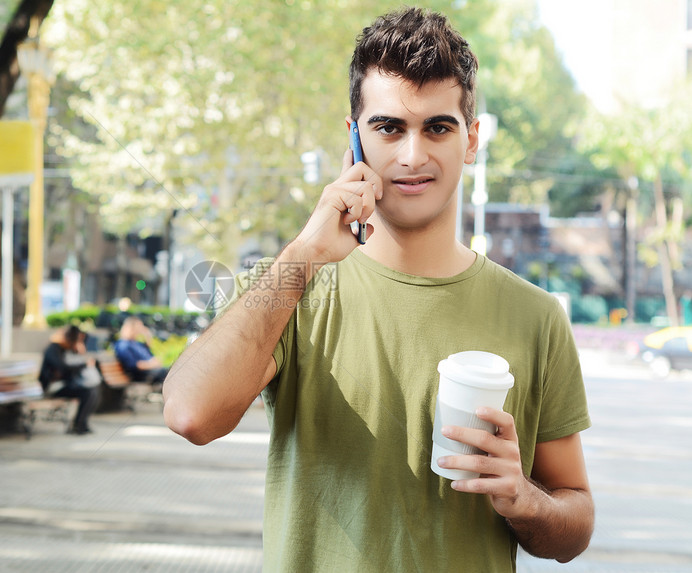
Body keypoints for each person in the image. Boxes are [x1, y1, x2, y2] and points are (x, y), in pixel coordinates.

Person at [162, 6, 593, 572]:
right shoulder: (291, 287)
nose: (412, 155)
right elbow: (190, 413)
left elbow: (575, 523)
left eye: (438, 127)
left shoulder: (536, 317)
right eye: (389, 127)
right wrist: (304, 253)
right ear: (355, 138)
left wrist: (523, 498)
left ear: (472, 140)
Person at [38, 325, 99, 434]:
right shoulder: (53, 349)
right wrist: (83, 364)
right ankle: (78, 424)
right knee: (88, 392)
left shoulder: (66, 349)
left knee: (92, 391)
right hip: (53, 387)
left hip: (66, 385)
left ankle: (81, 423)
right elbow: (63, 368)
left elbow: (72, 367)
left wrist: (80, 351)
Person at [113, 316, 169, 388]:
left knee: (170, 371)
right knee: (168, 373)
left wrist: (147, 335)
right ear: (131, 328)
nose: (141, 330)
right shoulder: (123, 345)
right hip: (141, 376)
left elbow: (150, 355)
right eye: (139, 327)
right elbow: (133, 365)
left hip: (150, 372)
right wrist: (152, 364)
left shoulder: (137, 343)